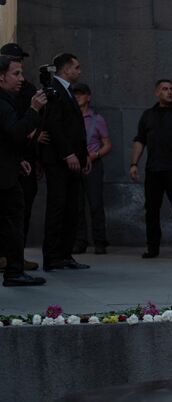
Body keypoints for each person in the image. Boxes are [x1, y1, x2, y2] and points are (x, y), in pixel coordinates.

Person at [130, 79, 172, 259]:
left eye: (171, 89)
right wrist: (134, 164)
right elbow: (140, 140)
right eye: (165, 89)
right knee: (151, 210)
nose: (169, 92)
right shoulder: (148, 115)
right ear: (157, 93)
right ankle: (153, 248)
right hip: (153, 170)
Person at [40, 52, 91, 272]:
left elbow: (75, 129)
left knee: (72, 209)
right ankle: (52, 257)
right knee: (58, 208)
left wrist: (83, 155)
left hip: (74, 161)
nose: (79, 71)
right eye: (76, 67)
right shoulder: (54, 91)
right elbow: (54, 125)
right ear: (65, 69)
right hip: (60, 162)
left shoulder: (68, 92)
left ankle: (65, 254)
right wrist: (67, 154)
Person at [0, 54, 48, 286]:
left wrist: (16, 160)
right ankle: (14, 271)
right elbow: (16, 134)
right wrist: (34, 109)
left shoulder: (6, 100)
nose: (21, 78)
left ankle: (14, 269)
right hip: (5, 179)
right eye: (15, 73)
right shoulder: (3, 103)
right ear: (1, 77)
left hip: (8, 170)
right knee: (14, 222)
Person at [71, 83, 112, 255]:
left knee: (95, 204)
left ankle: (100, 242)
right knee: (77, 205)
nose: (77, 97)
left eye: (81, 94)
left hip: (93, 165)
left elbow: (107, 145)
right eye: (75, 94)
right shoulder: (69, 117)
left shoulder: (97, 119)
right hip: (73, 165)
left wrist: (93, 156)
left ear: (88, 97)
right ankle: (80, 241)